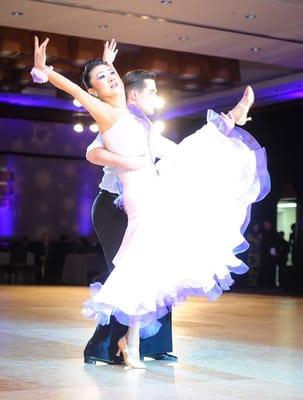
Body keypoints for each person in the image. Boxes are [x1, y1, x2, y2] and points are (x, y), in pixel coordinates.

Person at [32, 37, 270, 369]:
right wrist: (46, 71)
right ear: (98, 91)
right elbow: (81, 100)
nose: (112, 78)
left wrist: (105, 65)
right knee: (134, 271)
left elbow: (115, 96)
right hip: (127, 199)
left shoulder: (132, 116)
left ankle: (129, 344)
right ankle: (117, 345)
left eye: (112, 73)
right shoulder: (105, 112)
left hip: (152, 188)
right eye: (103, 78)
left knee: (151, 260)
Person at [84, 67, 179, 364]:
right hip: (112, 207)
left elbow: (169, 150)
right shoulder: (116, 116)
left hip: (141, 206)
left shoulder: (146, 124)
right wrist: (125, 161)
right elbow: (92, 151)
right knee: (124, 275)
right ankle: (102, 348)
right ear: (133, 95)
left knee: (155, 272)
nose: (156, 96)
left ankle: (153, 345)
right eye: (151, 91)